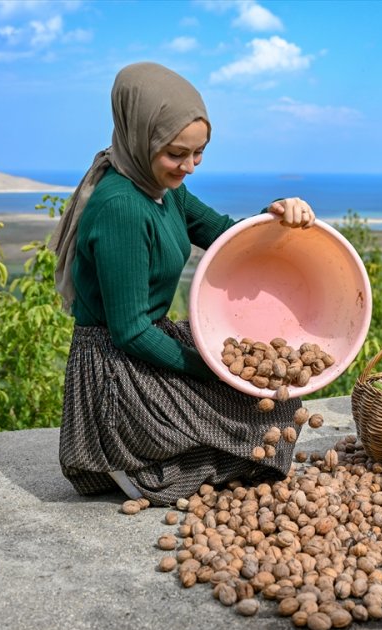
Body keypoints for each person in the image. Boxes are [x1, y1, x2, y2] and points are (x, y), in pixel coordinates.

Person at [49, 62, 316, 505]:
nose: (189, 166)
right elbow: (130, 331)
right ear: (140, 137)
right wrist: (210, 365)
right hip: (117, 369)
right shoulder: (122, 208)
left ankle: (155, 454)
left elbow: (227, 236)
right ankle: (132, 463)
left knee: (277, 399)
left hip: (147, 341)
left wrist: (280, 213)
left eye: (199, 154)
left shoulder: (164, 188)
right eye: (177, 153)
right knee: (252, 426)